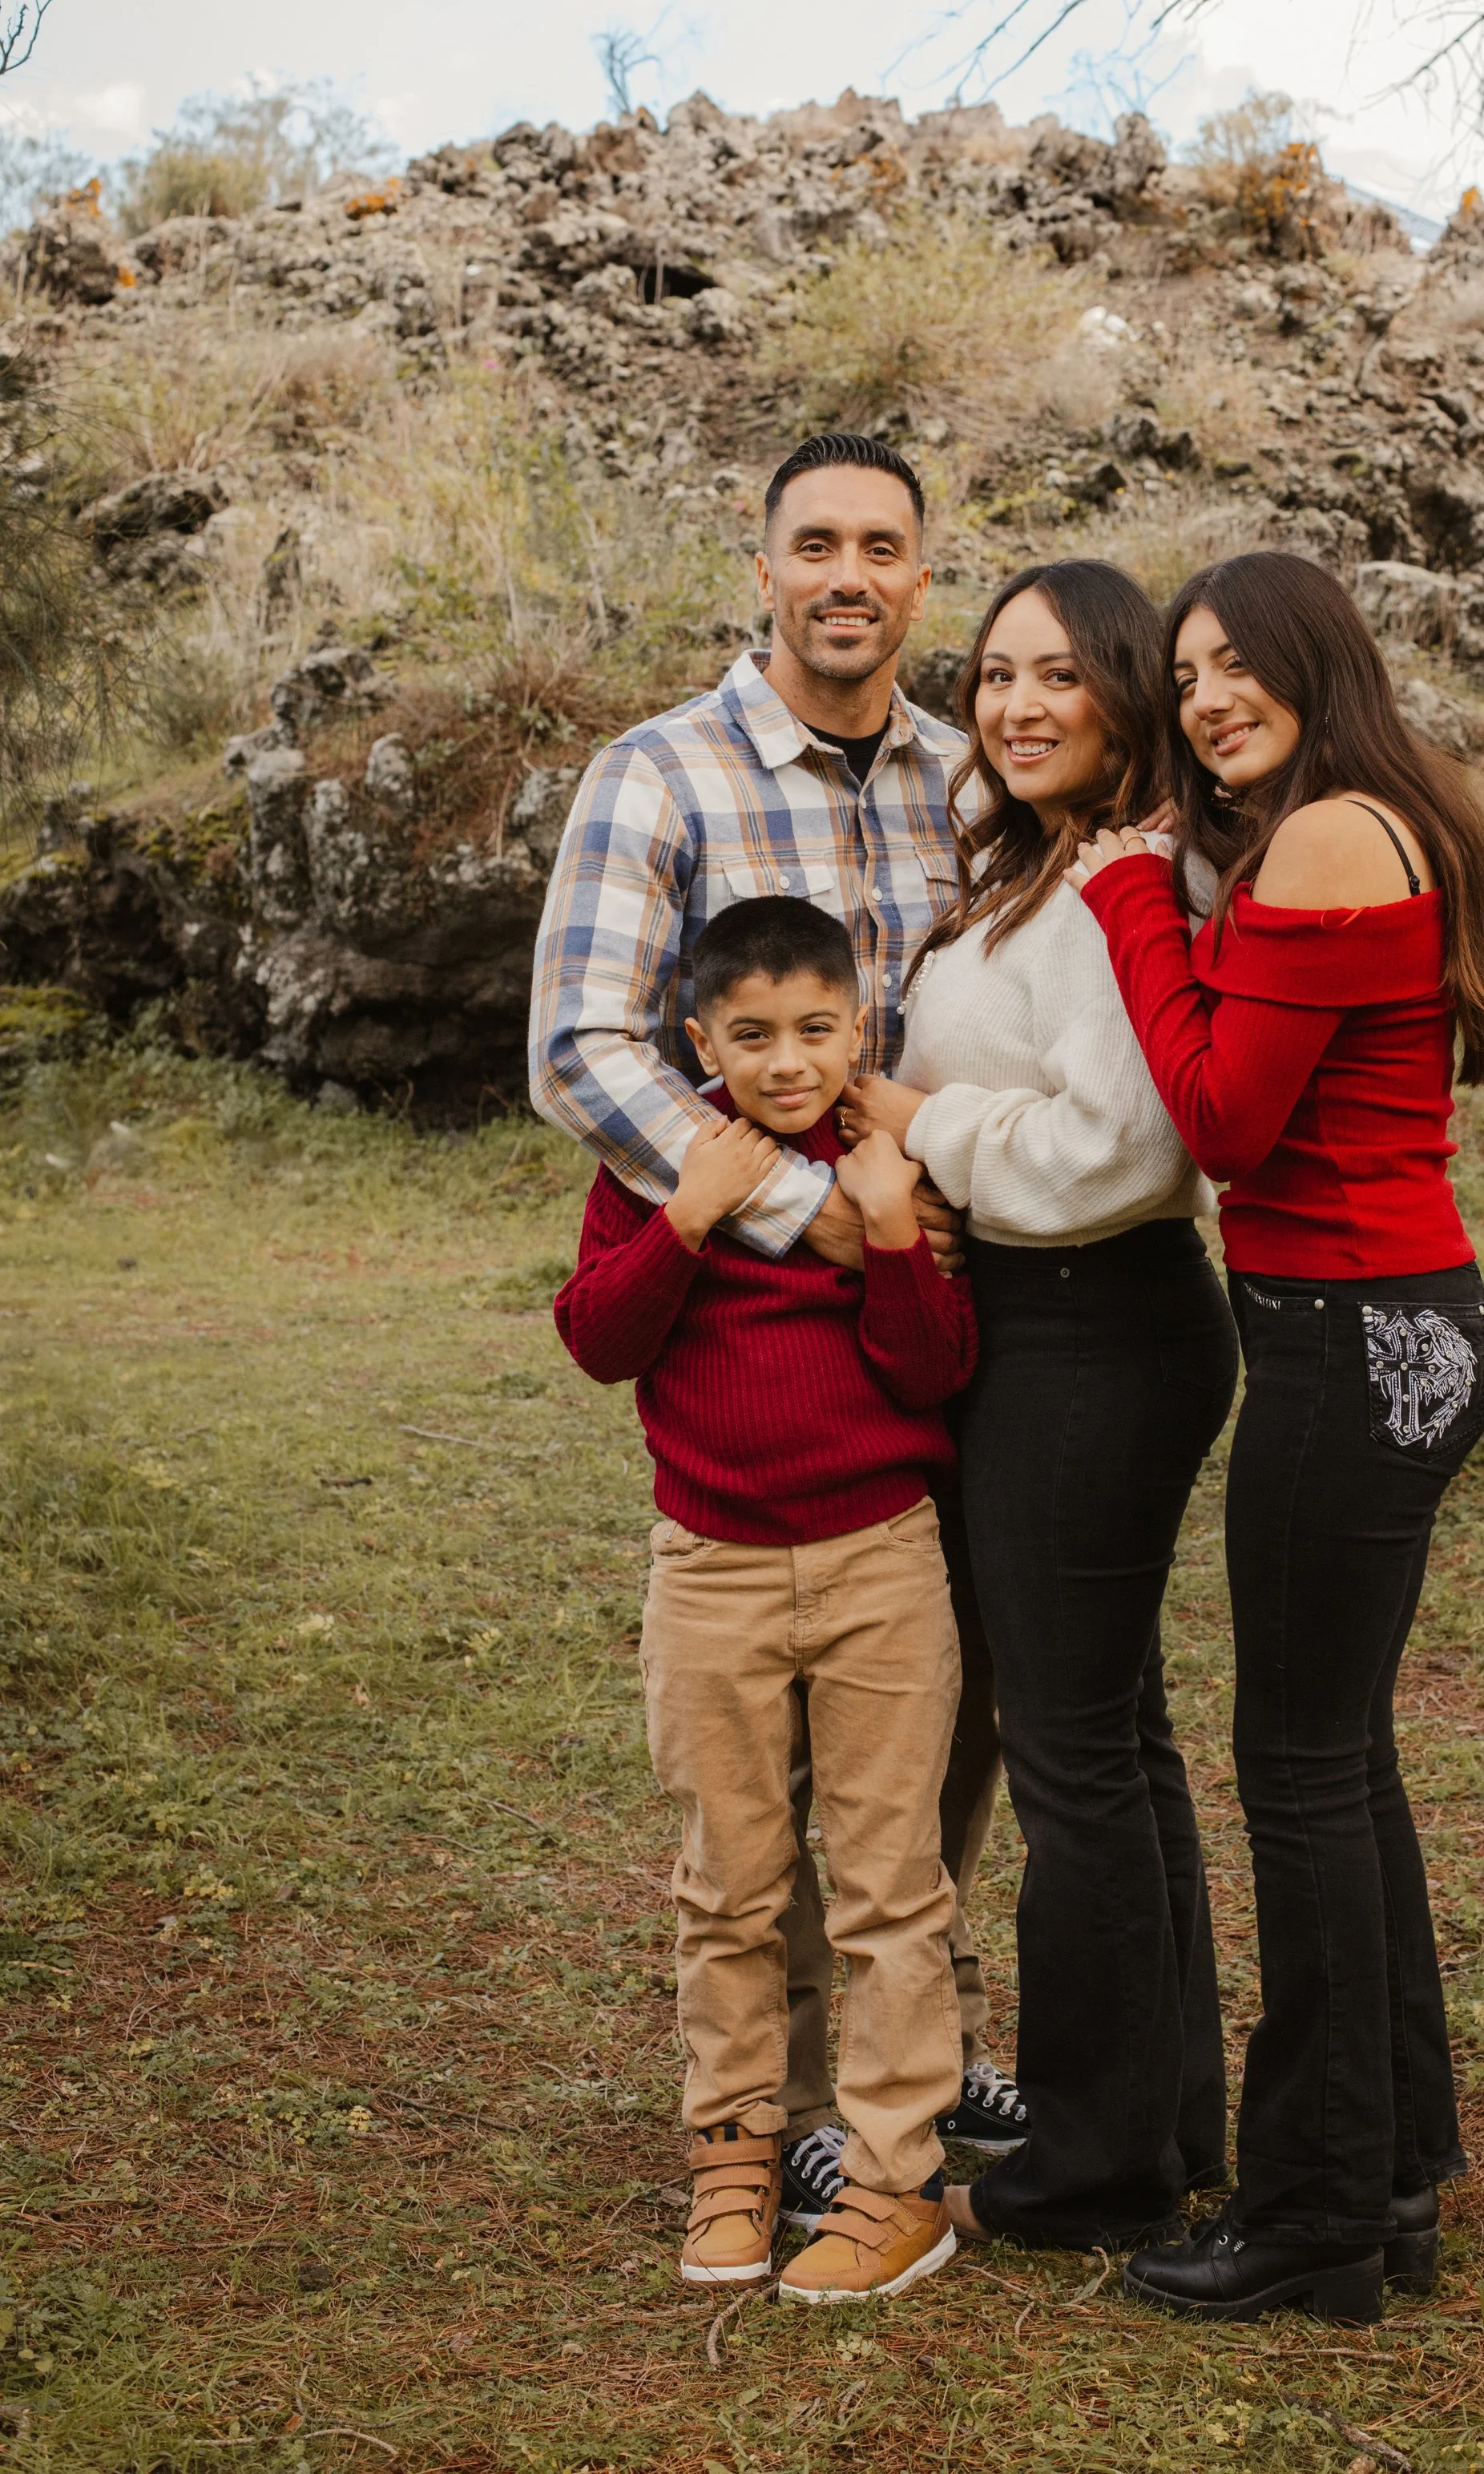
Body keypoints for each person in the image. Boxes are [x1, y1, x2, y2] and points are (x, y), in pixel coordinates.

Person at [527, 430, 1025, 2215]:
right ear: (761, 567)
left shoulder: (968, 779)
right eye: (811, 541)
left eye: (880, 545)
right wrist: (826, 1222)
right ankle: (788, 2097)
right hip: (807, 1301)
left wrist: (944, 1220)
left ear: (917, 571)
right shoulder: (655, 775)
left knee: (935, 1713)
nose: (845, 573)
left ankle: (916, 2053)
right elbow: (581, 1047)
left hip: (959, 1306)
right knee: (756, 1784)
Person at [1068, 547, 1484, 2327]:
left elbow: (1224, 1123)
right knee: (1341, 1765)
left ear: (1313, 665)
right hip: (1392, 1327)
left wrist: (1125, 906)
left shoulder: (1331, 836)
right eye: (1181, 673)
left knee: (1298, 1775)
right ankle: (1391, 2171)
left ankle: (1316, 2217)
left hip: (1351, 1340)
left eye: (1233, 664)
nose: (1202, 697)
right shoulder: (1363, 825)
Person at [843, 560, 1239, 2250]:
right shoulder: (1044, 871)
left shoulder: (1119, 890)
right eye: (993, 673)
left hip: (1087, 1324)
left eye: (1057, 675)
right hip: (1054, 1324)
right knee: (1113, 1742)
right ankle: (1158, 2119)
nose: (1012, 705)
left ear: (1127, 696)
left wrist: (913, 1123)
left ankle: (1088, 2166)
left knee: (1072, 1758)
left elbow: (1120, 1150)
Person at [553, 897, 978, 2304]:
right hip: (712, 1567)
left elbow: (934, 1371)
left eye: (815, 1030)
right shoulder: (660, 1161)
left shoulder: (881, 1163)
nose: (786, 1060)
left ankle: (893, 2173)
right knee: (728, 1881)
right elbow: (601, 1341)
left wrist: (896, 1233)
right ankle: (735, 2146)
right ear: (698, 1041)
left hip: (879, 1562)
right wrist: (687, 1213)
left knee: (888, 1885)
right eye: (751, 1035)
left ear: (862, 1028)